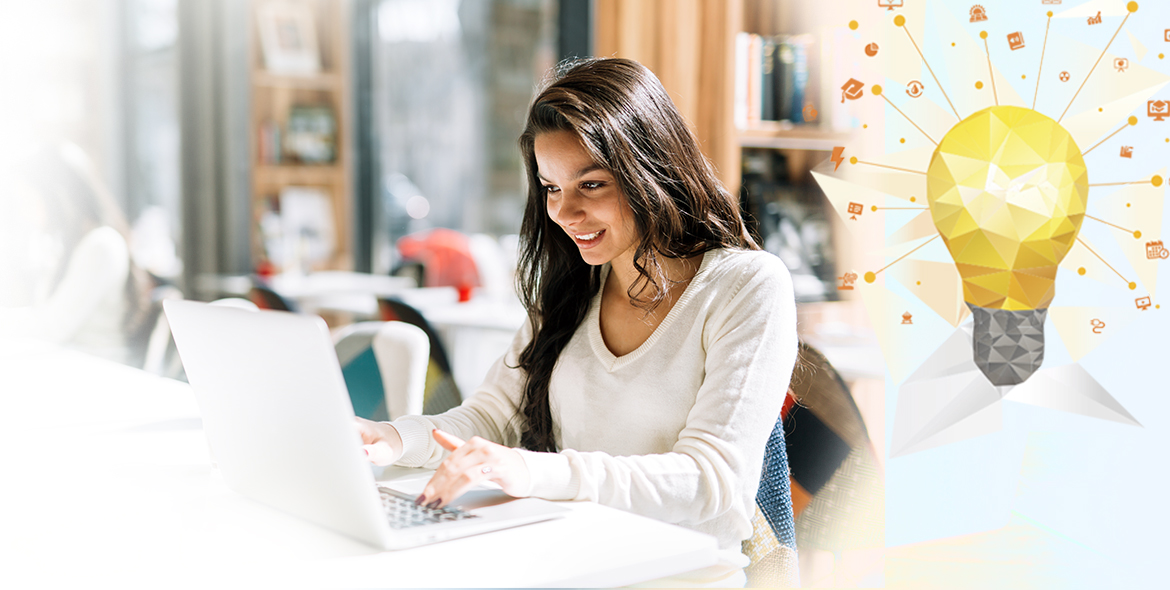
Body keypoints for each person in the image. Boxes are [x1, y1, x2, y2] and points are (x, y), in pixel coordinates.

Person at [356, 57, 797, 584]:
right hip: (574, 558)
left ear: (648, 171)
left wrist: (531, 471)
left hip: (681, 574)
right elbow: (489, 418)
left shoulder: (747, 286)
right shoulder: (571, 290)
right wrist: (389, 438)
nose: (563, 213)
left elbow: (713, 480)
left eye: (591, 185)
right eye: (551, 188)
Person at [0, 143, 153, 366]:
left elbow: (52, 328)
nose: (24, 211)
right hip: (70, 366)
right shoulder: (69, 247)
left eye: (27, 198)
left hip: (97, 373)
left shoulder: (102, 245)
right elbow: (43, 316)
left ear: (56, 195)